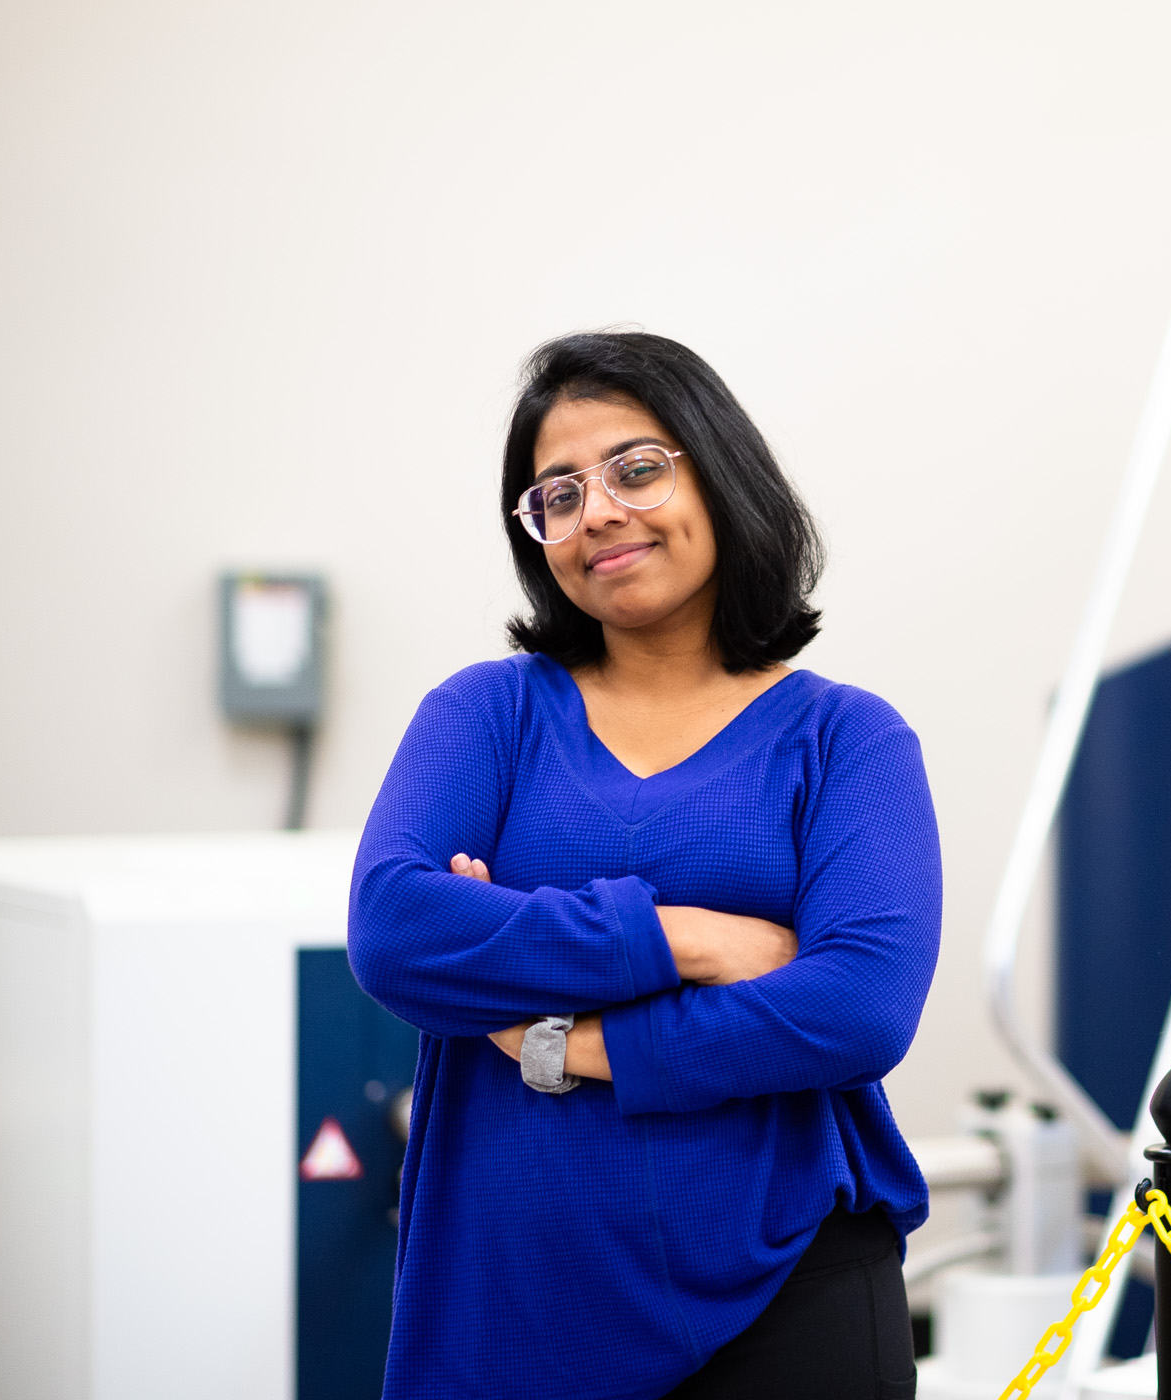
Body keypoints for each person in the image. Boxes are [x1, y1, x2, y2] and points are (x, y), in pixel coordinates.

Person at [348, 330, 941, 1398]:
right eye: (558, 494)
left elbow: (858, 1009)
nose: (600, 513)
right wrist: (692, 939)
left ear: (720, 473)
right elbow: (395, 931)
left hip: (790, 1300)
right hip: (509, 1307)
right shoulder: (487, 713)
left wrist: (558, 1039)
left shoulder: (849, 738)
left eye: (636, 468)